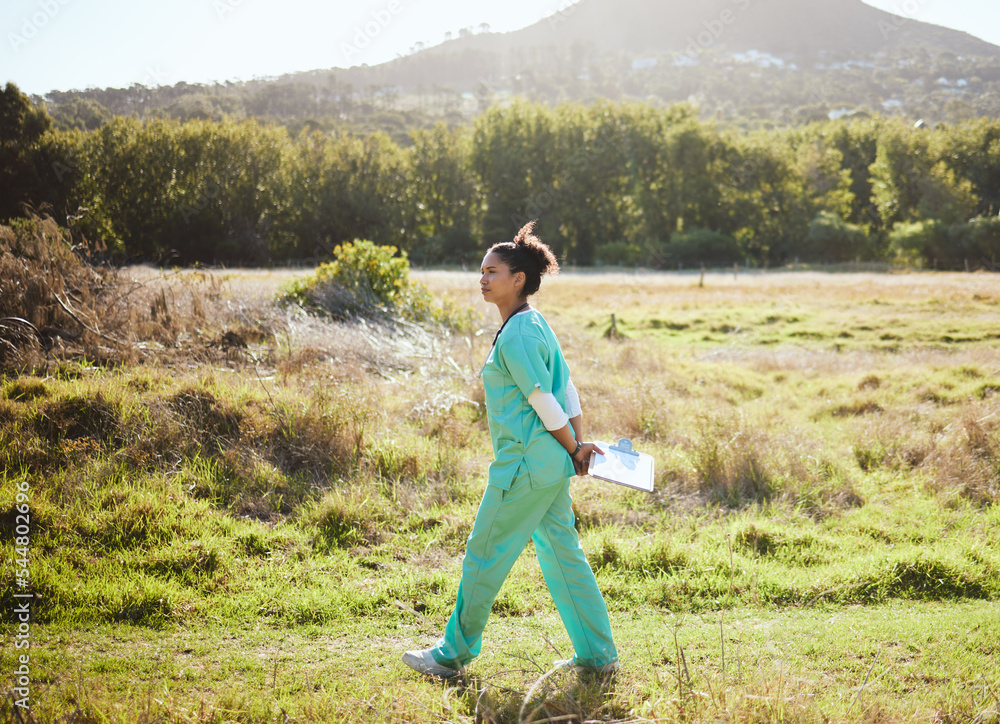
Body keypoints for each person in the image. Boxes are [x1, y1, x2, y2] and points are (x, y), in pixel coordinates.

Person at [402, 221, 619, 679]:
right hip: (551, 467)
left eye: (492, 271)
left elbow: (545, 401)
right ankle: (598, 655)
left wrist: (577, 446)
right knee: (564, 557)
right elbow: (569, 390)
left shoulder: (519, 332)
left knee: (484, 553)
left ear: (518, 278)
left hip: (521, 469)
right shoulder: (534, 323)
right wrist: (575, 447)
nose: (482, 279)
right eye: (480, 271)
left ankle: (450, 655)